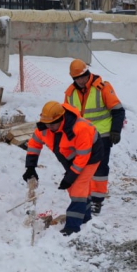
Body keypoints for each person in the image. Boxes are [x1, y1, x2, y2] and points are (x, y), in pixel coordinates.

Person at [22, 101, 103, 236]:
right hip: (69, 157)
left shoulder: (80, 128)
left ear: (61, 118)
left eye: (53, 124)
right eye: (47, 124)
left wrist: (70, 177)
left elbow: (82, 158)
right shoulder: (45, 128)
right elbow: (34, 144)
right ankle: (85, 217)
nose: (49, 127)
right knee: (76, 188)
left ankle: (72, 227)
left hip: (90, 156)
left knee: (77, 188)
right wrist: (30, 167)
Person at [64, 59, 126, 215]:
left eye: (83, 76)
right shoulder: (70, 93)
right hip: (81, 138)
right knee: (83, 168)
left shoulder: (102, 88)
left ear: (88, 73)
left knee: (100, 168)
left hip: (102, 135)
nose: (81, 80)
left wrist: (116, 131)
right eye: (77, 78)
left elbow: (118, 110)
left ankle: (97, 201)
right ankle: (84, 198)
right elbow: (67, 116)